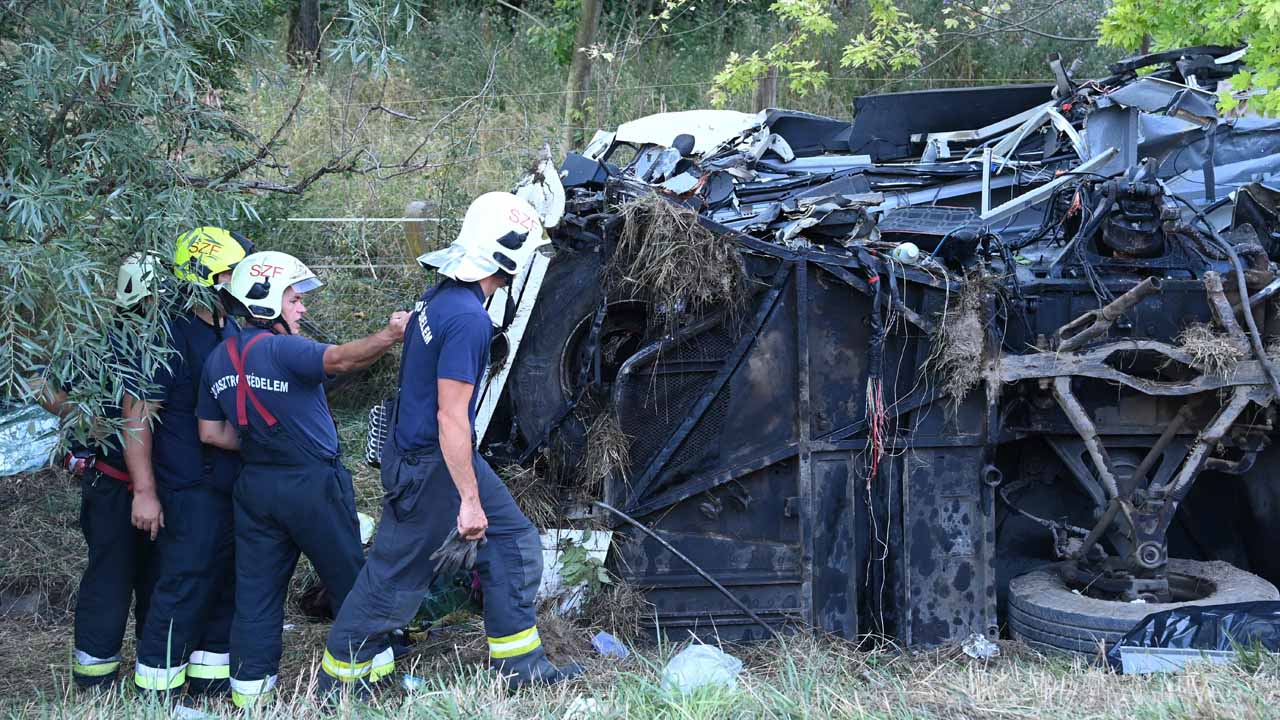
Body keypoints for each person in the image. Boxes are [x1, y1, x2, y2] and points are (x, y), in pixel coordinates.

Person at [322, 192, 579, 691]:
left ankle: (519, 668)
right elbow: (452, 418)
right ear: (512, 257)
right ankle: (337, 684)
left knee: (513, 542)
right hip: (431, 463)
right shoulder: (467, 320)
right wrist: (467, 500)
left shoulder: (439, 295)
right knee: (392, 578)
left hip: (424, 452)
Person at [195, 250, 409, 707]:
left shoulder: (217, 359)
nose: (303, 308)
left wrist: (263, 444)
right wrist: (391, 334)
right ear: (268, 301)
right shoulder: (281, 348)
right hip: (312, 484)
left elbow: (210, 433)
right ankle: (372, 681)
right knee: (351, 580)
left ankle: (250, 695)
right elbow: (343, 360)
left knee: (256, 594)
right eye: (294, 299)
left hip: (254, 487)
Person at [132, 227, 253, 698]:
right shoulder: (167, 332)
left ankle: (208, 688)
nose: (239, 280)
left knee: (224, 582)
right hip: (187, 484)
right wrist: (144, 491)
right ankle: (156, 694)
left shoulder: (227, 325)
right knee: (184, 583)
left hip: (227, 482)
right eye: (231, 272)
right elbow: (136, 414)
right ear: (207, 276)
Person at [37, 254, 162, 688]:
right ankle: (96, 676)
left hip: (147, 485)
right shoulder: (99, 340)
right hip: (114, 483)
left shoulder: (159, 340)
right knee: (113, 576)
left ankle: (148, 666)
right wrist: (87, 418)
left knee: (150, 576)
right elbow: (39, 383)